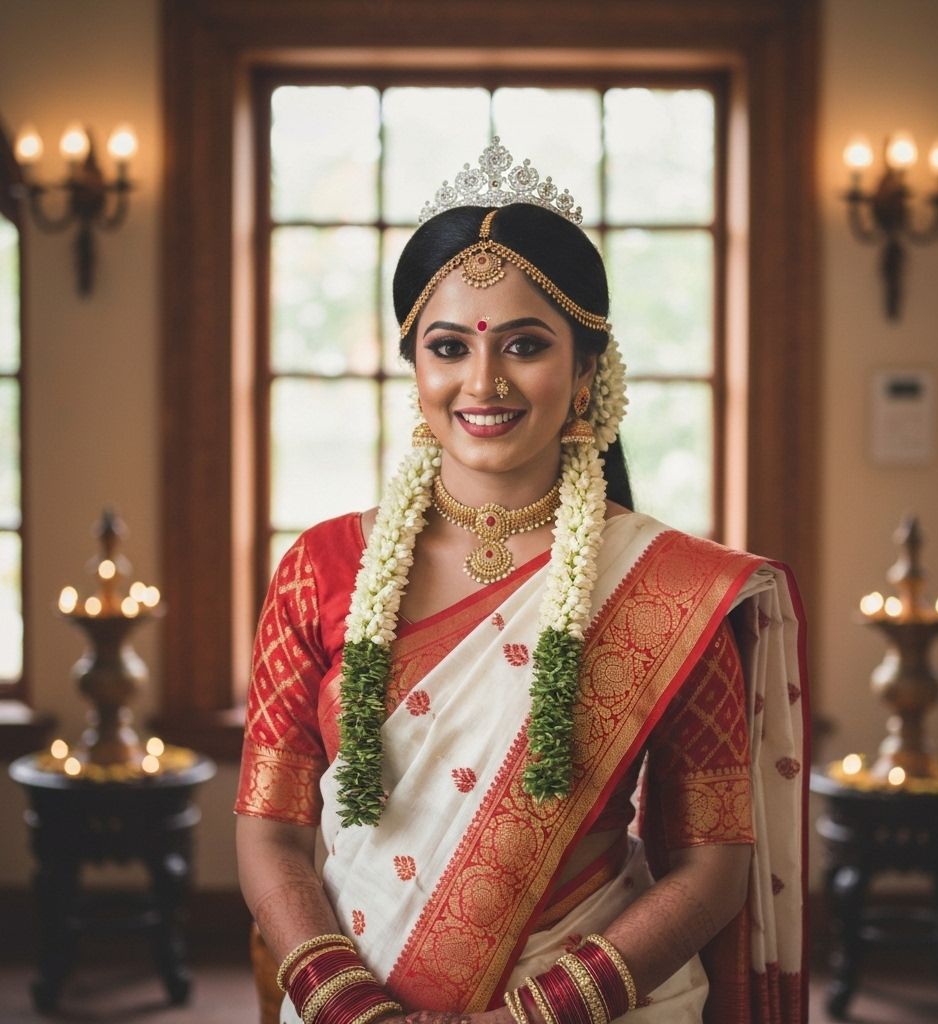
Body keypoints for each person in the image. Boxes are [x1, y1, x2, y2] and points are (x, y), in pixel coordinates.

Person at [235, 138, 808, 1024]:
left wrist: (535, 1018)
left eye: (526, 344)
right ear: (415, 367)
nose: (483, 381)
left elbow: (711, 870)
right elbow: (270, 830)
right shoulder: (320, 569)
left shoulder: (669, 590)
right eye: (449, 346)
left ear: (586, 370)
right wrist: (346, 1004)